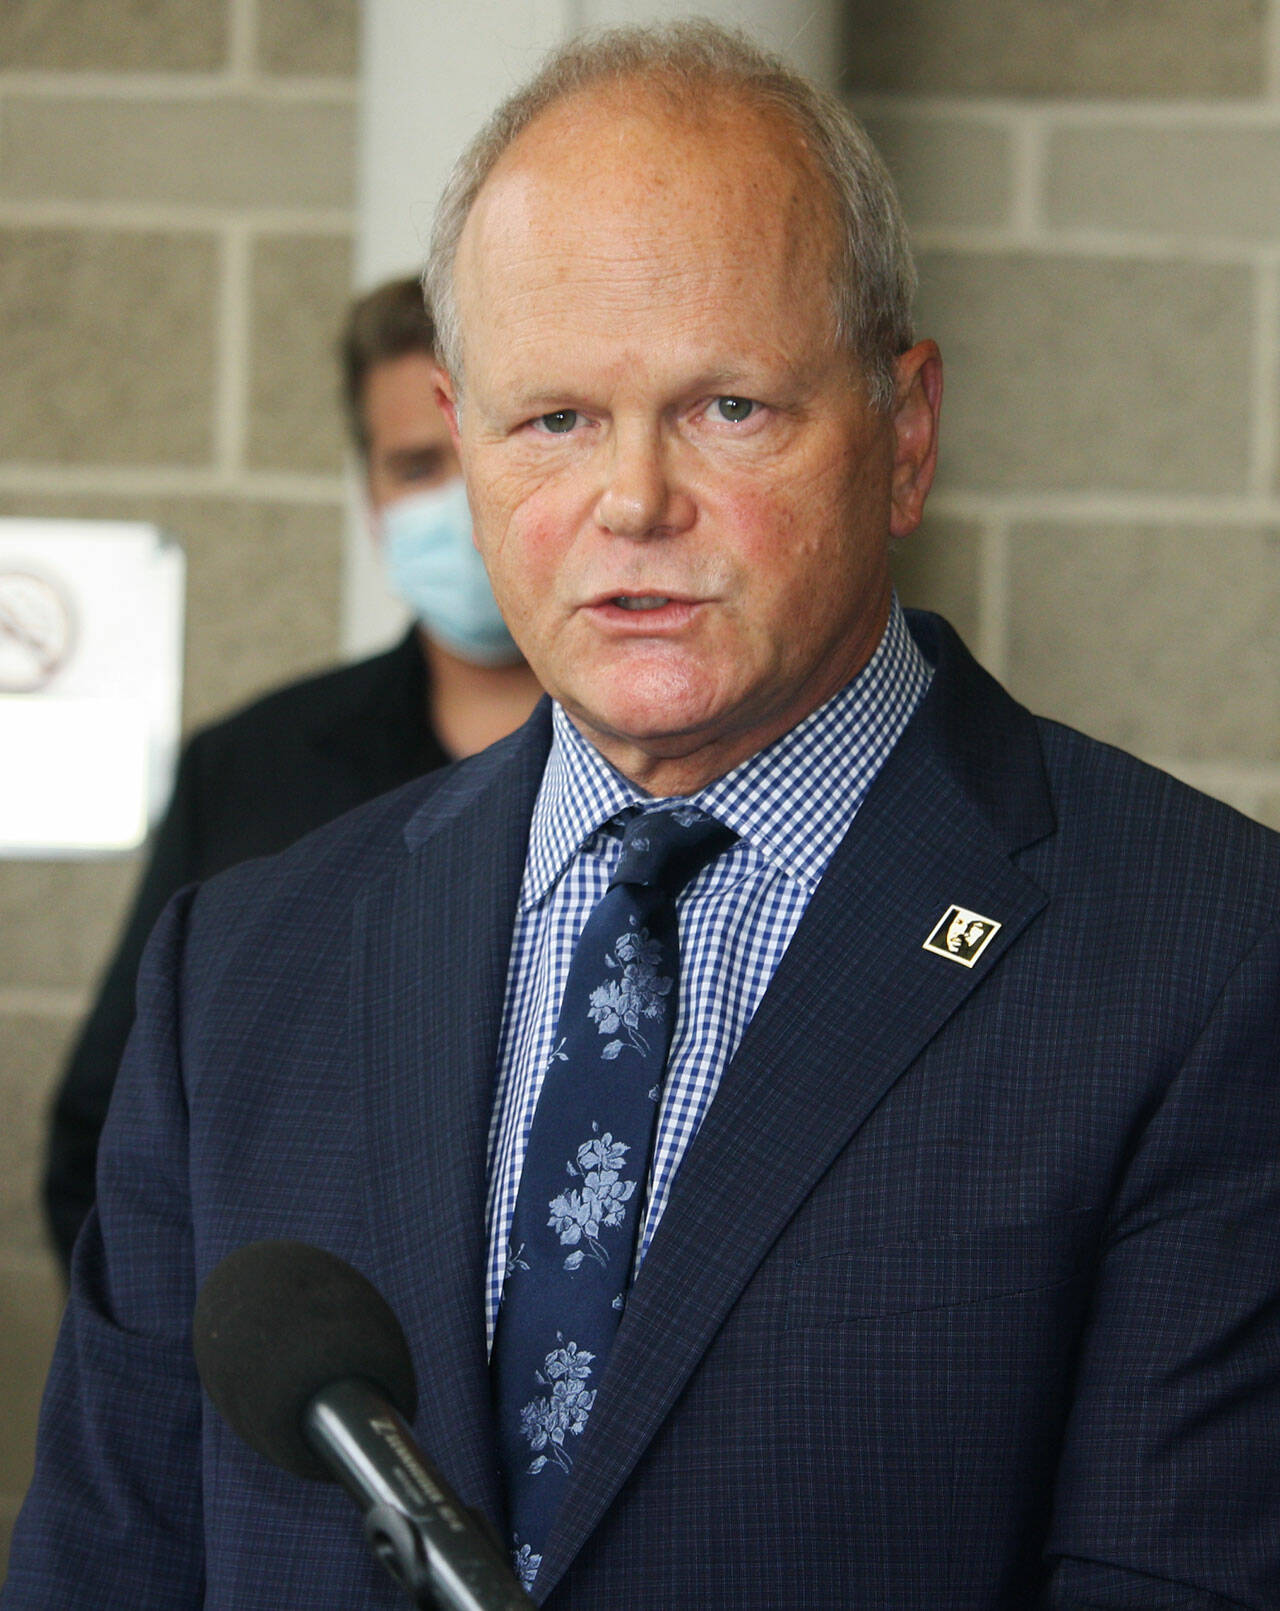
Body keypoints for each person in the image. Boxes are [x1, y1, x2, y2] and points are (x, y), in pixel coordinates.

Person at [7, 22, 1280, 1609]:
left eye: (728, 407)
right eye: (553, 420)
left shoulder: (1208, 956)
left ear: (906, 431)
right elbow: (104, 1564)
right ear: (463, 438)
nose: (632, 501)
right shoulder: (241, 969)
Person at [40, 277, 543, 1270]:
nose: (454, 504)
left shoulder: (673, 761)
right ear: (368, 499)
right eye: (413, 466)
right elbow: (105, 1138)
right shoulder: (251, 769)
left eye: (489, 451)